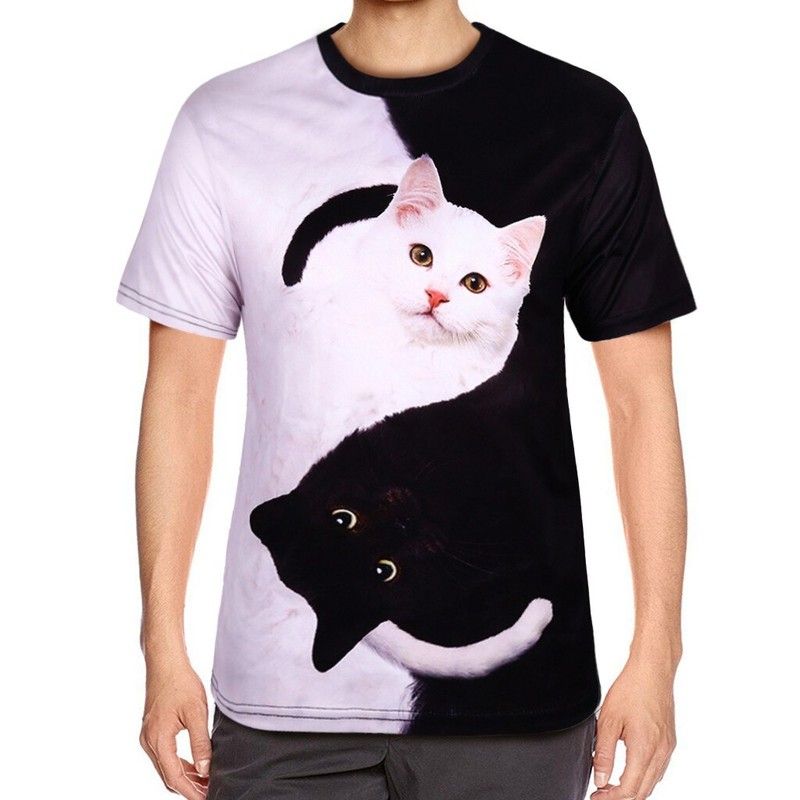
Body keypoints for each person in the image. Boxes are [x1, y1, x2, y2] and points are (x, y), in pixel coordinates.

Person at [119, 1, 694, 798]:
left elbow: (640, 405)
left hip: (519, 711)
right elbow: (180, 395)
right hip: (279, 700)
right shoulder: (224, 120)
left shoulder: (584, 119)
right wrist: (161, 648)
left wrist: (657, 656)